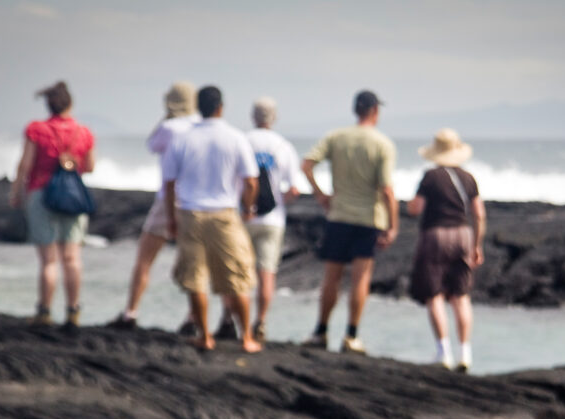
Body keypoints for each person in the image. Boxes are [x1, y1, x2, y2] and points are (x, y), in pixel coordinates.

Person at [161, 85, 262, 353]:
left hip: (190, 213)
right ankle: (247, 337)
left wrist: (171, 218)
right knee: (237, 276)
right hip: (224, 214)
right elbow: (251, 182)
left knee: (195, 277)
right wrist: (248, 208)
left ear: (198, 107)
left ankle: (205, 335)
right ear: (221, 107)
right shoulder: (235, 138)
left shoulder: (181, 139)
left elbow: (169, 184)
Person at [301, 90, 397, 354]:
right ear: (375, 111)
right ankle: (351, 335)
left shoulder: (336, 137)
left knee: (331, 276)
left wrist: (320, 194)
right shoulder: (382, 144)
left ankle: (321, 330)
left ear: (356, 110)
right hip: (368, 218)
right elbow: (387, 190)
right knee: (360, 278)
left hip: (339, 215)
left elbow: (306, 165)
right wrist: (393, 225)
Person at [110, 82, 200, 330]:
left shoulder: (169, 127)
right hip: (195, 201)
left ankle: (131, 311)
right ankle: (193, 317)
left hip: (167, 198)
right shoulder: (200, 127)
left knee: (145, 259)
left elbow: (152, 145)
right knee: (193, 262)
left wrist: (167, 117)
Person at [8, 81, 95, 329]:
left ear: (49, 105)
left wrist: (16, 192)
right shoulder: (84, 132)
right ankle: (73, 311)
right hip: (73, 197)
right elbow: (89, 166)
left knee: (49, 260)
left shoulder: (37, 130)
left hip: (41, 194)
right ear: (70, 103)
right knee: (72, 257)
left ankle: (44, 310)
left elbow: (25, 165)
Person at [215, 97, 300, 343]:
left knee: (235, 272)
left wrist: (246, 205)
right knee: (267, 274)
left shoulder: (243, 141)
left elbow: (230, 179)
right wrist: (279, 200)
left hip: (242, 217)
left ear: (253, 116)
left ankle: (228, 319)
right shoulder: (283, 146)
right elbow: (293, 189)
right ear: (274, 118)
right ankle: (260, 322)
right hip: (273, 219)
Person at [405, 129, 485, 372]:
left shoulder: (430, 177)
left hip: (435, 235)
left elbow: (416, 208)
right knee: (461, 296)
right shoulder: (469, 178)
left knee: (435, 294)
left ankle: (444, 352)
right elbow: (479, 213)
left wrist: (408, 206)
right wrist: (477, 244)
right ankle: (465, 353)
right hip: (463, 234)